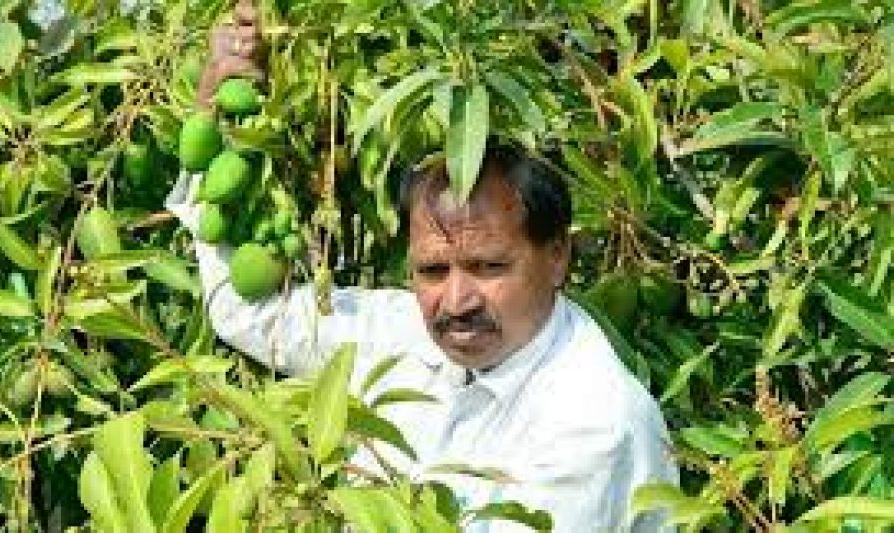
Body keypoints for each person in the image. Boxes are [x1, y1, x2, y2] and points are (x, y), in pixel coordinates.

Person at [168, 3, 678, 530]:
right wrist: (218, 110)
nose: (456, 301)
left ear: (556, 258)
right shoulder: (397, 333)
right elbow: (252, 315)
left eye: (488, 267)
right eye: (433, 272)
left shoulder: (593, 423)